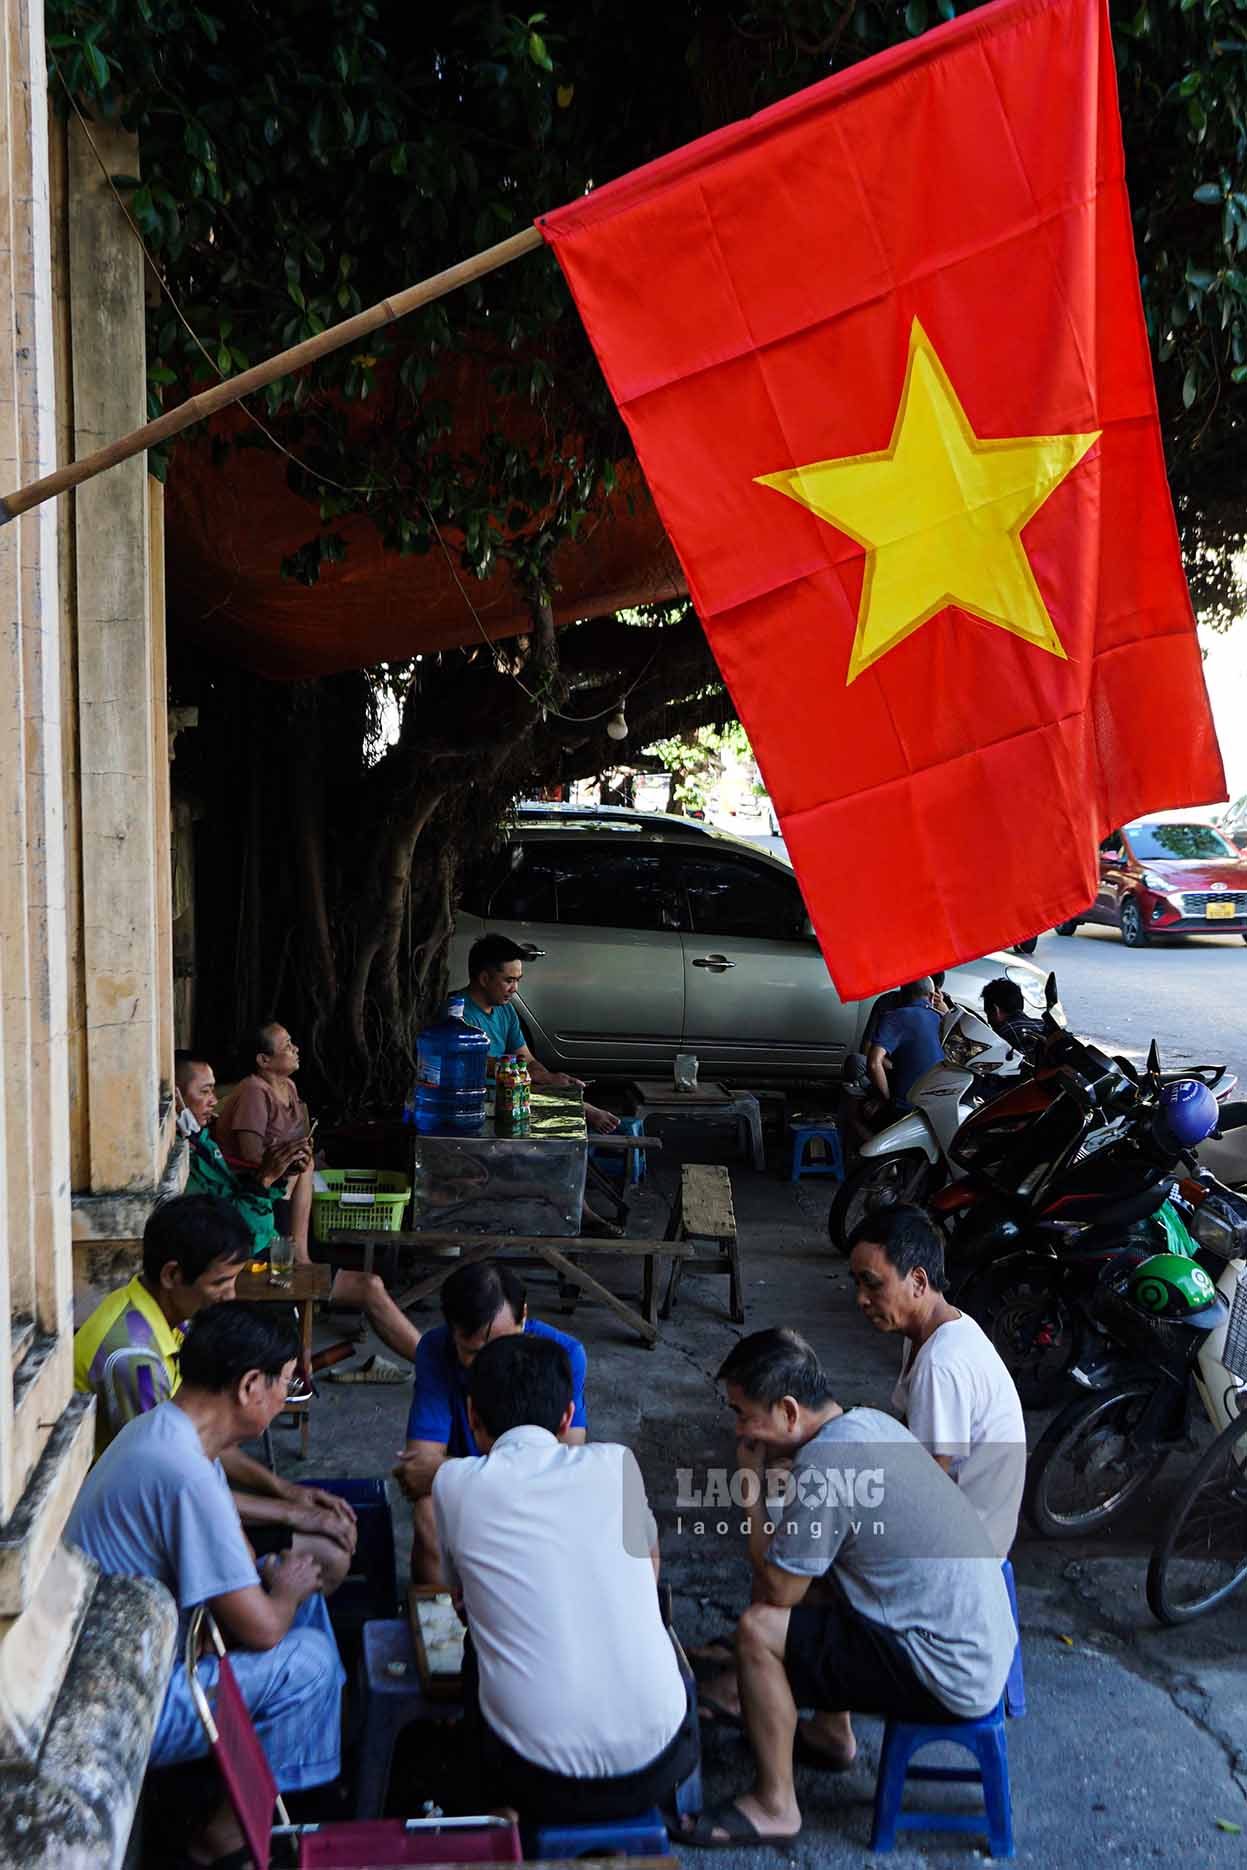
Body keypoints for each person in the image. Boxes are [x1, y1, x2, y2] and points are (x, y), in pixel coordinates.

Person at [683, 1328, 1015, 1848]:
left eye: (745, 1414)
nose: (741, 1431)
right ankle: (831, 1734)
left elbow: (777, 1592)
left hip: (946, 1670)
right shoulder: (868, 1425)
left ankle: (776, 1805)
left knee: (759, 1630)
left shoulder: (828, 1465)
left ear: (789, 1412)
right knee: (826, 1571)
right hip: (978, 1644)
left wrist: (749, 1486)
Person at [65, 1303, 346, 1868]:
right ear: (249, 1386)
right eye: (285, 1384)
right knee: (309, 1661)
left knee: (308, 1615)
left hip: (141, 1654)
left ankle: (284, 1778)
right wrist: (285, 1588)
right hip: (124, 1707)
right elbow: (265, 1629)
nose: (284, 1397)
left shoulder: (166, 1430)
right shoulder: (185, 1471)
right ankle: (224, 1838)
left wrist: (281, 1579)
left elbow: (236, 1562)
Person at [433, 1332, 698, 1823]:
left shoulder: (454, 1483)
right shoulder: (617, 1462)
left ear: (472, 1417)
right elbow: (650, 1563)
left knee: (477, 1645)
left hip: (534, 1779)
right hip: (662, 1764)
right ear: (567, 1417)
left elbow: (459, 1598)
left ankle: (493, 1810)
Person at [73, 1194, 358, 1589]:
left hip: (180, 1491)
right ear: (173, 1275)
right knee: (327, 1553)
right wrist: (290, 1512)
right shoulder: (135, 1361)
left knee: (325, 1538)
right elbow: (167, 1481)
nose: (231, 1295)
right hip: (129, 1533)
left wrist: (286, 1491)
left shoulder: (173, 1317)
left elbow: (201, 1438)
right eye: (221, 1283)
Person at [212, 1023, 421, 1375]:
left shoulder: (289, 1087)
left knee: (370, 1283)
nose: (296, 1048)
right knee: (367, 1286)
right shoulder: (253, 1093)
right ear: (264, 1059)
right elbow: (257, 1169)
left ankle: (302, 1254)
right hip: (262, 1221)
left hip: (284, 1223)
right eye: (287, 1045)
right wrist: (292, 1168)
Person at [847, 1204, 1026, 1558]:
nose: (861, 1299)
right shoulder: (940, 1330)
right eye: (857, 1283)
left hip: (965, 1553)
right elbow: (910, 1430)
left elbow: (924, 1487)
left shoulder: (941, 1364)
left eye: (872, 1283)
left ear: (917, 1281)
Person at [395, 1260, 587, 1586]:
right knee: (427, 1512)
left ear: (523, 1316)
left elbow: (566, 1471)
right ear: (452, 1329)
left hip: (529, 1495)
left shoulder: (563, 1355)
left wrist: (457, 1472)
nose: (489, 1367)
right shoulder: (435, 1349)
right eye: (471, 1353)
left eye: (501, 1346)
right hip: (473, 1491)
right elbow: (417, 1472)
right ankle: (437, 1627)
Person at [456, 934, 621, 1137]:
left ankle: (581, 1106)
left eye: (517, 981)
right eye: (509, 980)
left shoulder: (505, 1010)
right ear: (484, 979)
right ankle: (584, 1109)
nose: (515, 989)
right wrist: (537, 1077)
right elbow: (473, 1063)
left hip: (510, 1091)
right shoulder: (457, 1012)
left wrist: (548, 1077)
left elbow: (527, 1059)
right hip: (477, 1100)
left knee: (541, 1083)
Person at [176, 1048, 310, 1254]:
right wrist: (262, 1181)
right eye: (204, 1091)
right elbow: (234, 1239)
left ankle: (300, 1254)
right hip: (248, 1250)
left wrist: (283, 1169)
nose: (213, 1101)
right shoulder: (182, 1163)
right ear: (176, 1097)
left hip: (264, 1232)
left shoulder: (199, 1138)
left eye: (212, 1091)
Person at [866, 977, 944, 1114]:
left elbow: (873, 1063)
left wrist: (884, 1099)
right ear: (932, 997)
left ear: (901, 995)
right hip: (937, 1106)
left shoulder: (894, 1017)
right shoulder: (944, 1020)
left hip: (904, 1108)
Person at [981, 977, 1045, 1063]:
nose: (989, 1021)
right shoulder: (1042, 1024)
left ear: (996, 1010)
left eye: (988, 1013)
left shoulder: (1005, 1034)